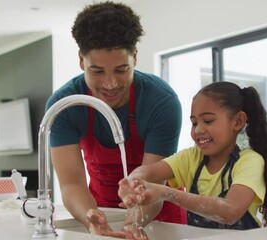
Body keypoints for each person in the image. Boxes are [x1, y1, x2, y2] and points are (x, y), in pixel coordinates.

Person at [46, 1, 184, 238]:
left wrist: (132, 224)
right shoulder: (65, 106)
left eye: (121, 70)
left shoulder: (161, 102)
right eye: (97, 71)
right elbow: (71, 184)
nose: (110, 84)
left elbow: (154, 182)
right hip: (99, 210)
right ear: (81, 61)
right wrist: (92, 217)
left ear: (135, 58)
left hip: (159, 217)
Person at [119, 81, 267, 231]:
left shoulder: (250, 161)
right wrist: (131, 183)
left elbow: (230, 212)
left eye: (208, 121)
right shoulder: (191, 158)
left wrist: (167, 193)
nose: (198, 129)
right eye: (194, 123)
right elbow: (148, 171)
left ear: (237, 121)